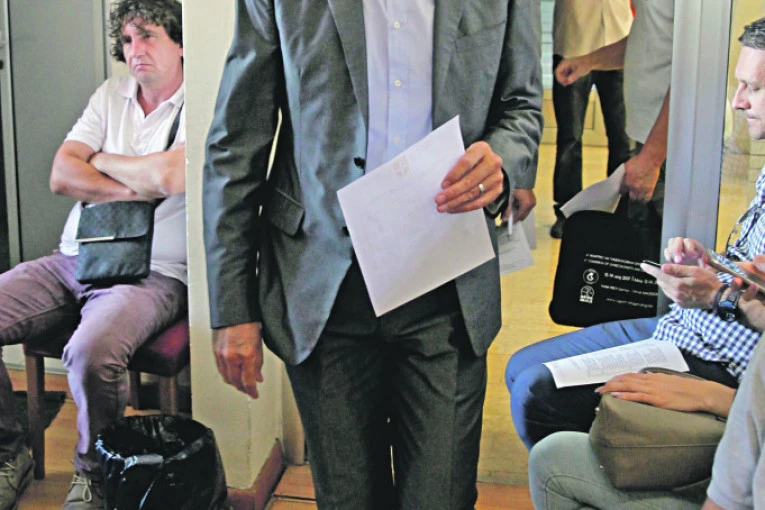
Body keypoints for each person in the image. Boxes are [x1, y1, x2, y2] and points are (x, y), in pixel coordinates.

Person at [203, 1, 543, 508]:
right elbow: (236, 142)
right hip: (324, 289)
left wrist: (503, 160)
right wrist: (233, 307)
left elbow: (522, 105)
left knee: (441, 498)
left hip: (446, 287)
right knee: (347, 499)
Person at [507, 15, 765, 452]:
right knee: (519, 367)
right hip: (690, 328)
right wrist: (713, 268)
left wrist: (718, 295)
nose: (737, 102)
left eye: (753, 88)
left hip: (723, 359)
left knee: (536, 393)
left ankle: (602, 473)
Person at [0, 1, 185, 508]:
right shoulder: (110, 94)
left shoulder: (201, 98)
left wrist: (98, 161)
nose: (135, 50)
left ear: (179, 42)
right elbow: (62, 174)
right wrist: (133, 188)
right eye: (126, 40)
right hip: (74, 258)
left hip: (154, 272)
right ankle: (9, 454)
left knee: (90, 353)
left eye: (148, 36)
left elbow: (171, 175)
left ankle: (96, 475)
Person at [555, 0, 673, 254]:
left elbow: (693, 70)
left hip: (669, 147)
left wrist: (651, 159)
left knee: (668, 256)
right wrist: (588, 61)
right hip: (651, 141)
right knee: (646, 254)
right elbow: (647, 42)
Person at [548, 0, 632, 238]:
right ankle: (567, 212)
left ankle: (621, 210)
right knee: (570, 137)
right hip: (574, 42)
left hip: (619, 40)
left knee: (622, 137)